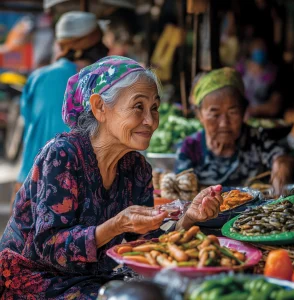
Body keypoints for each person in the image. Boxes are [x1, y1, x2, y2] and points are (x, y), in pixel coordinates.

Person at [0, 56, 223, 298]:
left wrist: (188, 219)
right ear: (99, 108)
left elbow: (146, 244)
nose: (150, 121)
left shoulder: (137, 168)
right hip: (34, 278)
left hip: (91, 278)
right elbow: (50, 248)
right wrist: (115, 225)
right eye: (138, 107)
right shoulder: (62, 156)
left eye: (154, 108)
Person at [11, 11, 108, 208]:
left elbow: (29, 120)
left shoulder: (37, 77)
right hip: (69, 188)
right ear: (91, 47)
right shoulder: (97, 81)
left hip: (27, 182)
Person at [176, 67, 294, 194]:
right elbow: (182, 190)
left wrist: (281, 166)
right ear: (199, 115)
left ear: (244, 111)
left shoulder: (256, 138)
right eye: (215, 114)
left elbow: (282, 157)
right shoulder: (190, 147)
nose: (224, 123)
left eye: (233, 112)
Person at [235, 37, 283, 119]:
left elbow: (274, 107)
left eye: (262, 49)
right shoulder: (240, 68)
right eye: (257, 48)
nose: (260, 51)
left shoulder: (273, 73)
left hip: (264, 119)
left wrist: (253, 110)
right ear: (250, 50)